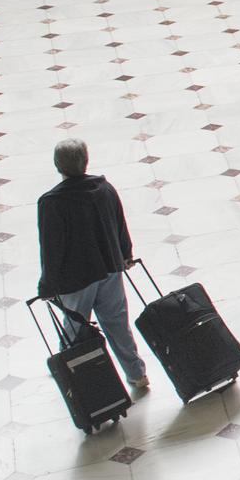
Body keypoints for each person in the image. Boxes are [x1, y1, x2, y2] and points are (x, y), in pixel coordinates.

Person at [37, 139, 150, 394]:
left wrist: (47, 285)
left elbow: (51, 248)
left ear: (57, 165)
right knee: (117, 323)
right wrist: (126, 254)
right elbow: (118, 223)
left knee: (75, 328)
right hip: (110, 269)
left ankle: (74, 377)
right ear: (86, 160)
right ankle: (136, 373)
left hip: (77, 279)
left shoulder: (51, 202)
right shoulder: (104, 188)